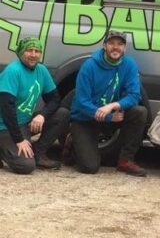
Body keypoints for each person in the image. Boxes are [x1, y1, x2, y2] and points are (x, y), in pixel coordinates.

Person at [68, 30, 148, 176]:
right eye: (111, 43)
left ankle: (125, 160)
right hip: (86, 118)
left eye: (120, 44)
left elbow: (134, 95)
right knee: (90, 167)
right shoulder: (89, 66)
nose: (115, 47)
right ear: (104, 46)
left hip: (111, 113)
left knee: (139, 112)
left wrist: (113, 106)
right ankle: (73, 142)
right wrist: (108, 117)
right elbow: (81, 102)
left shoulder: (129, 64)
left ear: (125, 48)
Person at [0, 37, 69, 173]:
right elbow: (6, 108)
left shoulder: (41, 70)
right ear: (21, 52)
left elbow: (55, 99)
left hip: (25, 123)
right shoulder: (13, 71)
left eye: (37, 51)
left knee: (63, 114)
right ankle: (3, 149)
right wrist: (19, 140)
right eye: (29, 50)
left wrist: (42, 116)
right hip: (5, 126)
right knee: (26, 166)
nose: (33, 54)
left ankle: (37, 154)